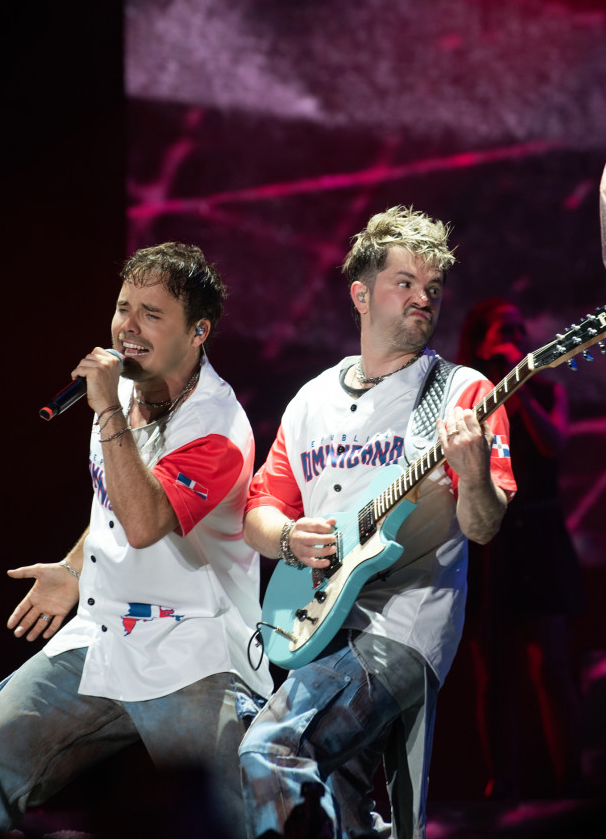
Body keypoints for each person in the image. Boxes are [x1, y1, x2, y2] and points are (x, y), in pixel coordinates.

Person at [0, 242, 273, 839]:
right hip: (103, 632)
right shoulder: (118, 392)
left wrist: (108, 415)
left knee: (233, 823)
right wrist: (74, 567)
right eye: (123, 307)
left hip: (188, 648)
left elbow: (144, 523)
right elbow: (114, 506)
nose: (128, 326)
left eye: (151, 313)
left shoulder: (218, 429)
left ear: (198, 332)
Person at [237, 206, 517, 839]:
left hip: (402, 622)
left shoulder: (464, 393)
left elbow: (482, 527)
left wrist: (470, 471)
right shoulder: (310, 400)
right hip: (316, 623)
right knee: (340, 804)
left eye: (434, 289)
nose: (425, 299)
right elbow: (258, 512)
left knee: (269, 753)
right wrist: (287, 536)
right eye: (406, 284)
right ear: (360, 294)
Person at [456, 298, 585, 800]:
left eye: (519, 327)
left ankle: (571, 781)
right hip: (493, 542)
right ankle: (500, 783)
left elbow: (552, 443)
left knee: (549, 662)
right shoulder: (469, 399)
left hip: (541, 536)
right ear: (481, 342)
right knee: (491, 668)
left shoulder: (549, 390)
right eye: (502, 329)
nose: (515, 333)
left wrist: (521, 384)